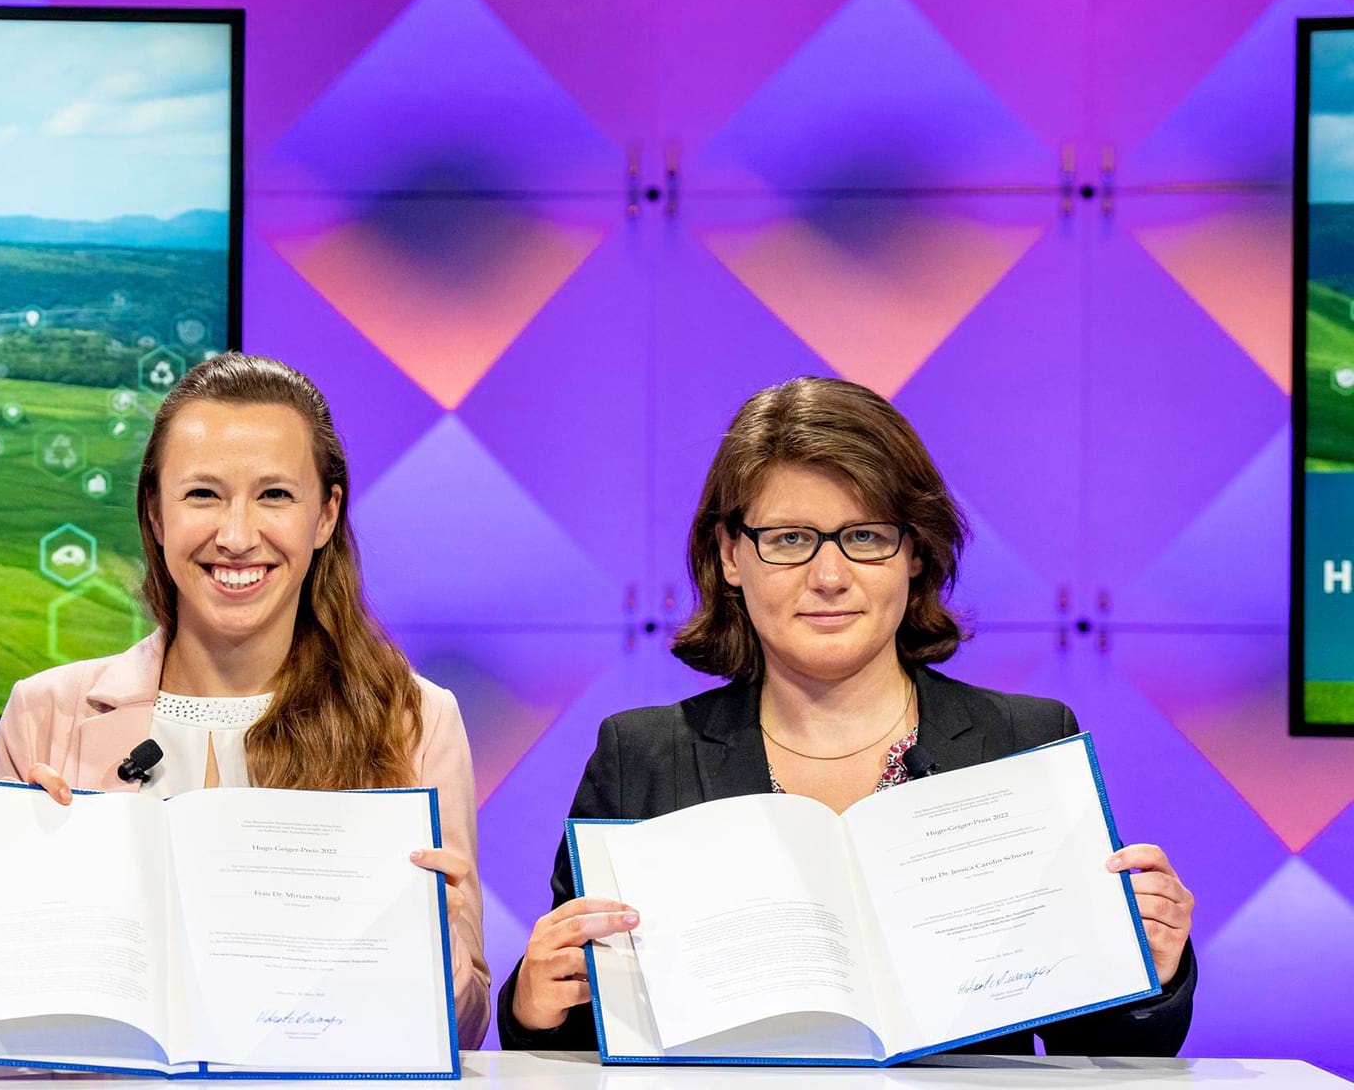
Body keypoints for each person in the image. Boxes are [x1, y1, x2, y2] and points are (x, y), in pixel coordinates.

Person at [497, 376, 1197, 1053]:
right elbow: (581, 1038)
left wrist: (1151, 966)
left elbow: (1097, 1045)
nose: (829, 577)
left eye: (864, 538)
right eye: (790, 539)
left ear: (915, 553)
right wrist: (536, 999)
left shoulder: (1024, 742)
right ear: (731, 555)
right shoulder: (643, 756)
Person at [0, 352, 490, 1046]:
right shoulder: (46, 714)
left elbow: (460, 1029)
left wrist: (436, 942)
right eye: (202, 495)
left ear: (325, 515)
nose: (235, 536)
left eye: (275, 495)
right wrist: (22, 903)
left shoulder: (418, 719)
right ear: (155, 515)